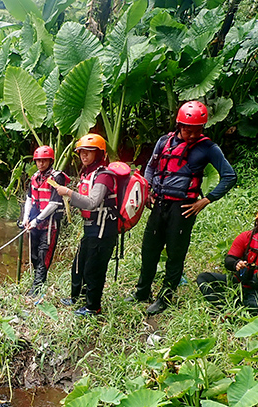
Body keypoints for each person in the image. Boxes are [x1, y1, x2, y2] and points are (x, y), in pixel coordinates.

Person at [128, 101, 237, 315]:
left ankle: (165, 297)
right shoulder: (164, 142)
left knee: (175, 254)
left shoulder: (208, 147)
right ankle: (142, 292)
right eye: (189, 129)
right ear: (180, 125)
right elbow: (150, 166)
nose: (193, 134)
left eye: (198, 130)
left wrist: (205, 200)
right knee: (149, 249)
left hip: (183, 208)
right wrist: (148, 189)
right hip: (159, 204)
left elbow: (230, 176)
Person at [54, 134, 118, 316]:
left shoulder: (104, 176)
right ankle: (78, 298)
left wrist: (68, 192)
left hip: (103, 229)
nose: (84, 156)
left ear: (99, 154)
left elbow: (92, 203)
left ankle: (93, 307)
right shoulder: (88, 174)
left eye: (89, 152)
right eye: (82, 152)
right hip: (91, 227)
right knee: (79, 264)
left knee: (94, 269)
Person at [22, 145, 69, 297]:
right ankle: (38, 284)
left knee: (44, 255)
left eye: (44, 161)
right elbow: (30, 198)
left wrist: (37, 220)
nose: (41, 164)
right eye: (38, 161)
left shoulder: (56, 177)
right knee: (34, 255)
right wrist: (26, 218)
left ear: (50, 161)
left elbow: (54, 203)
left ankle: (37, 289)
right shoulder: (35, 177)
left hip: (50, 225)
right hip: (35, 222)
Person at [196, 212, 258, 315]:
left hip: (255, 291)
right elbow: (229, 260)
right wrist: (237, 264)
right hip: (239, 283)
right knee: (203, 278)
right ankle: (225, 309)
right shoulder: (245, 237)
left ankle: (241, 309)